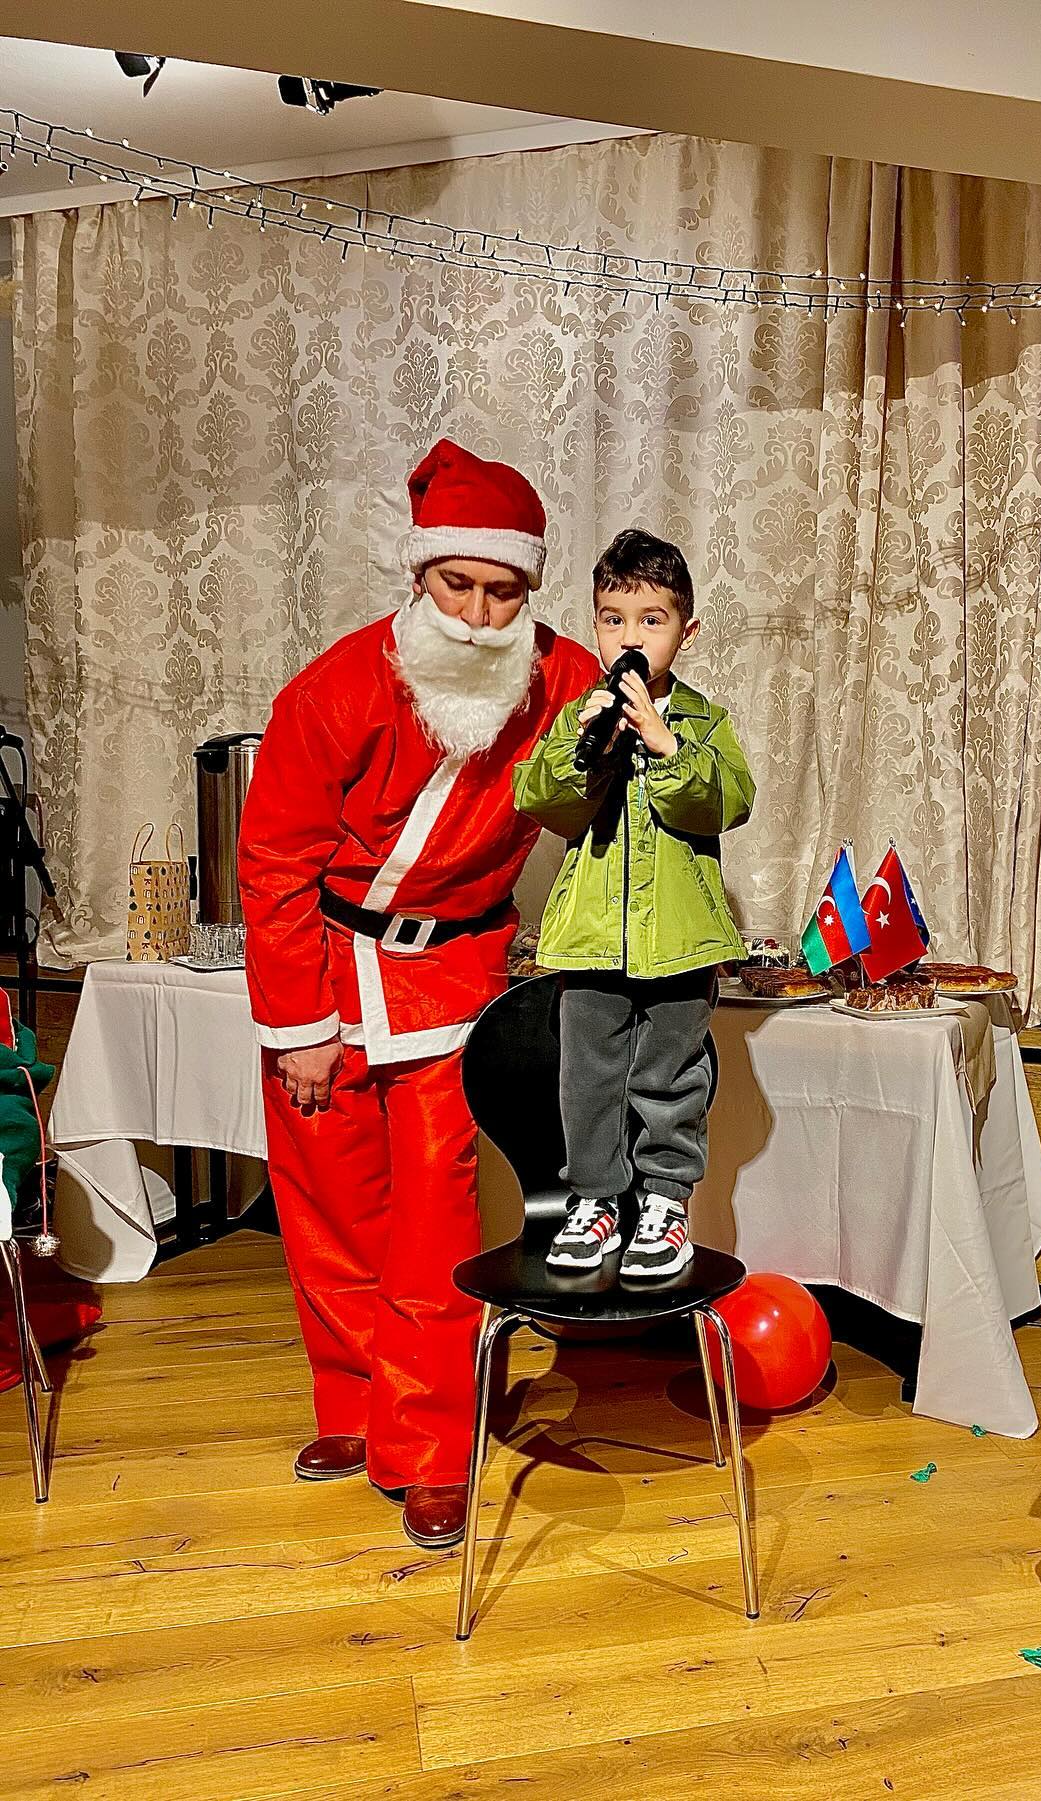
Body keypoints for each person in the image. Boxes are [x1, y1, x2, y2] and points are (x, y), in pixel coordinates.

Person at [238, 439, 598, 1549]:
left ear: (528, 588)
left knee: (436, 1222)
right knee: (331, 1209)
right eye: (461, 585)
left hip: (454, 974)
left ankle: (431, 1446)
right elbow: (274, 860)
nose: (483, 614)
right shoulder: (338, 686)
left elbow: (659, 721)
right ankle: (352, 1410)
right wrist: (301, 1028)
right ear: (420, 576)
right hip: (326, 968)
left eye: (505, 590)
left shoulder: (564, 680)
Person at [512, 529, 753, 1279]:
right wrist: (575, 747)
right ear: (595, 626)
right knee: (586, 1076)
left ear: (687, 630)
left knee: (670, 1074)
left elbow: (729, 800)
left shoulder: (704, 721)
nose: (631, 635)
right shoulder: (583, 713)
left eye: (652, 619)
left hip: (679, 943)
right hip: (591, 941)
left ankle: (666, 1201)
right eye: (614, 618)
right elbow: (539, 799)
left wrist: (666, 744)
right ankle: (595, 1199)